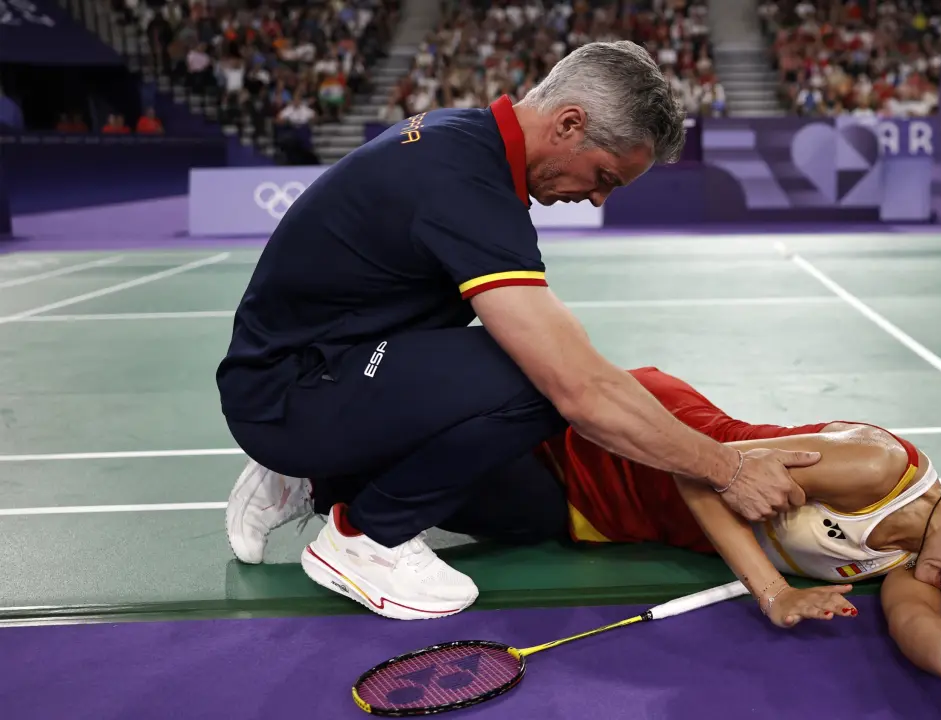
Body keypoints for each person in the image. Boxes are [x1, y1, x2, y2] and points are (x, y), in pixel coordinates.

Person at [217, 41, 818, 620]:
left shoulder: (467, 140)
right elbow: (577, 386)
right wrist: (726, 468)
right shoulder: (464, 183)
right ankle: (367, 538)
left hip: (334, 362)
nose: (597, 199)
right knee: (540, 380)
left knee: (532, 510)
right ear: (569, 123)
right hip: (289, 392)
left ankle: (319, 476)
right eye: (605, 176)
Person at [235, 367, 941, 720]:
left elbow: (912, 620)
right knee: (478, 458)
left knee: (498, 511)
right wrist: (773, 592)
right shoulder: (876, 468)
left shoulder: (916, 561)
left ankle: (317, 482)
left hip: (618, 519)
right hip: (645, 446)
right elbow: (704, 472)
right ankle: (302, 468)